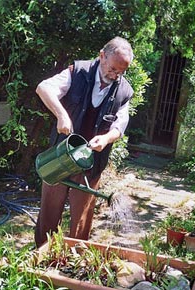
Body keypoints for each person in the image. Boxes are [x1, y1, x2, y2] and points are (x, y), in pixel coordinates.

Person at [34, 36, 134, 247]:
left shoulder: (124, 91)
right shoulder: (77, 72)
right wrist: (61, 114)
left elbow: (119, 126)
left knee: (81, 219)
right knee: (49, 213)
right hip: (60, 157)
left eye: (121, 72)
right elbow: (44, 88)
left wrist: (106, 139)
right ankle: (42, 256)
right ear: (102, 56)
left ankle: (74, 261)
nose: (115, 75)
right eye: (113, 68)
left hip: (92, 162)